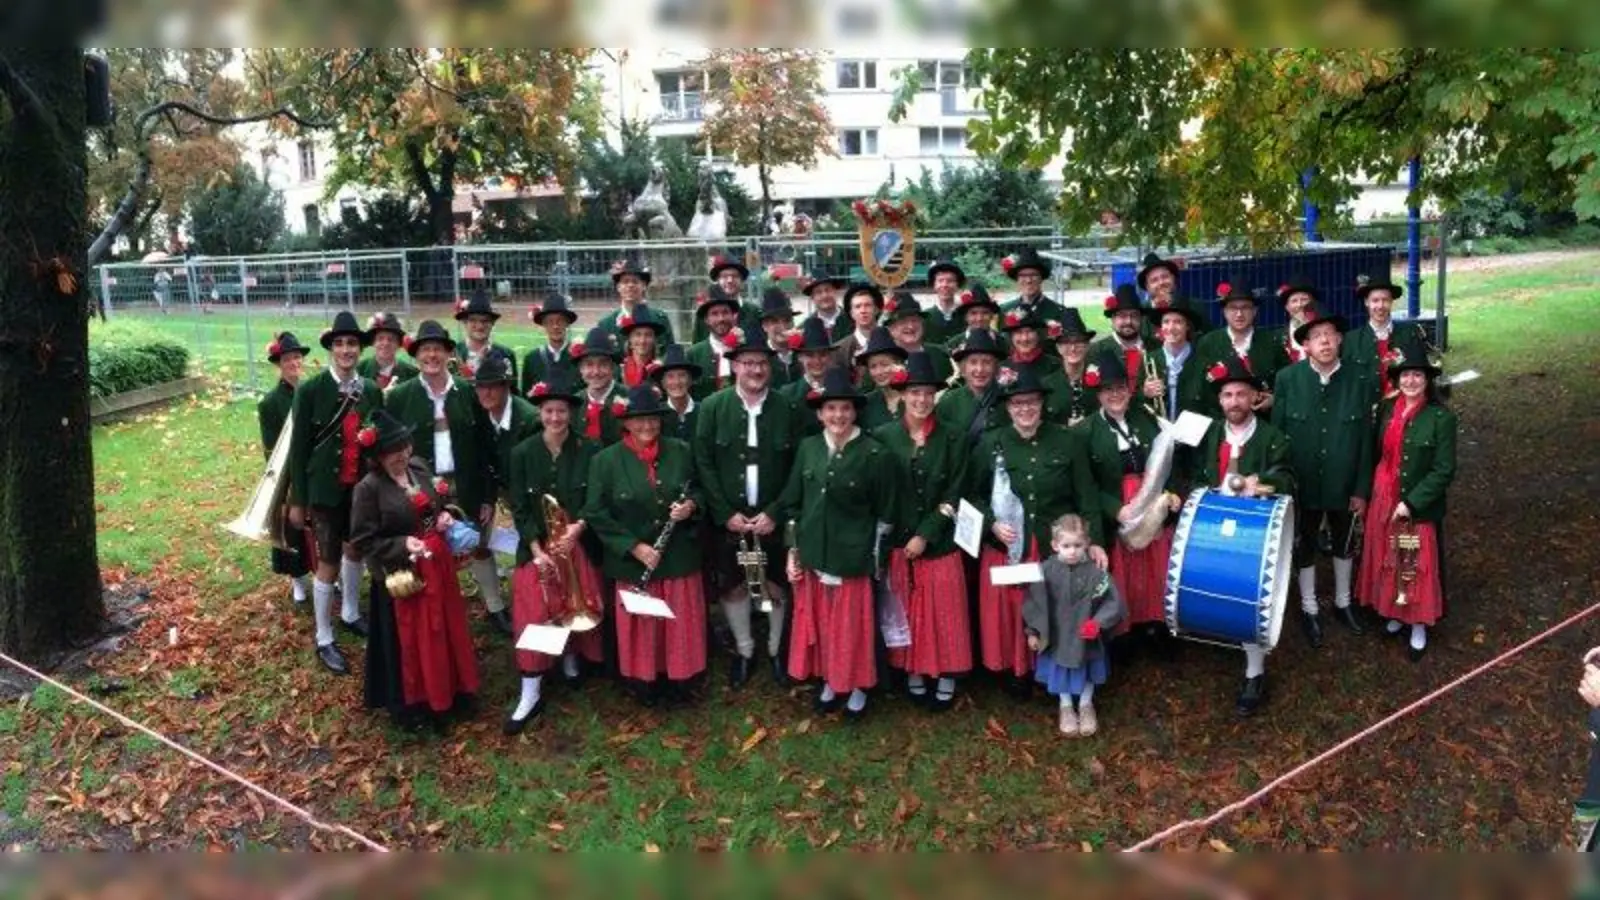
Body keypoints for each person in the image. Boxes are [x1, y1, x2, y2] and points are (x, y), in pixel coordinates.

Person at [969, 365, 1104, 695]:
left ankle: (1050, 669)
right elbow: (969, 494)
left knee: (1054, 607)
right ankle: (1014, 670)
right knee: (1010, 608)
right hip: (1008, 545)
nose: (1025, 409)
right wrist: (991, 524)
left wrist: (1096, 541)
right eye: (1017, 403)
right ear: (1007, 407)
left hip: (1052, 546)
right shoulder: (991, 443)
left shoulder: (1067, 441)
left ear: (1042, 404)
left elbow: (1086, 493)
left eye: (1031, 402)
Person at [774, 367, 899, 719]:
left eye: (845, 408)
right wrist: (793, 549)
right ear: (819, 412)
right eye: (830, 409)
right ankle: (831, 679)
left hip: (854, 558)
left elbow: (886, 513)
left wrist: (875, 556)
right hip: (814, 554)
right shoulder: (809, 448)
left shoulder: (875, 454)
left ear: (854, 411)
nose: (838, 415)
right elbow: (793, 505)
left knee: (852, 628)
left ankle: (857, 685)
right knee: (824, 624)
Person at [350, 409, 480, 731]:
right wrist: (401, 544)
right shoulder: (368, 489)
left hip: (438, 567)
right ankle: (417, 703)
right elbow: (363, 541)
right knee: (414, 641)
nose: (402, 456)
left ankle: (454, 689)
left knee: (444, 629)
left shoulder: (418, 467)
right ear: (378, 457)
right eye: (393, 453)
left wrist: (444, 516)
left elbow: (433, 506)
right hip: (403, 579)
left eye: (404, 448)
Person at [582, 384, 709, 707]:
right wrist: (634, 547)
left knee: (677, 620)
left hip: (676, 557)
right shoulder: (605, 461)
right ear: (626, 423)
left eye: (653, 419)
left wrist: (691, 507)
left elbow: (698, 491)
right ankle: (644, 682)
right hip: (633, 562)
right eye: (639, 420)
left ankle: (681, 680)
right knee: (643, 623)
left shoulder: (680, 449)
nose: (647, 426)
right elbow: (595, 512)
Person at [692, 331, 803, 688]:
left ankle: (774, 650)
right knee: (734, 586)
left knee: (775, 586)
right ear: (734, 366)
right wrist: (724, 513)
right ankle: (744, 650)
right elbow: (703, 462)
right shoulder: (712, 407)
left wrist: (776, 510)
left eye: (760, 363)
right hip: (730, 519)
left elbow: (799, 466)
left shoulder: (787, 407)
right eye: (747, 363)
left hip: (773, 517)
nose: (755, 369)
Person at [384, 320, 503, 634]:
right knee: (428, 548)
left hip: (465, 483)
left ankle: (495, 606)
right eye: (425, 350)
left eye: (437, 349)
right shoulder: (400, 396)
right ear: (416, 356)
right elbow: (391, 451)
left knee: (478, 543)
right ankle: (435, 611)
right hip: (421, 486)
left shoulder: (468, 392)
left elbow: (486, 448)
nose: (431, 355)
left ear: (449, 353)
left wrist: (488, 495)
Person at [1193, 353, 1296, 716]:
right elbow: (1193, 477)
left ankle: (1254, 672)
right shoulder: (1209, 434)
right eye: (1227, 395)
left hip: (1253, 534)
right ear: (1219, 400)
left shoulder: (1271, 436)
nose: (1234, 402)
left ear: (1254, 397)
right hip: (1212, 527)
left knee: (1248, 596)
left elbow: (1286, 477)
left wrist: (1262, 484)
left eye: (1240, 394)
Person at [504, 373, 605, 733]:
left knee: (577, 601)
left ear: (570, 414)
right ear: (540, 413)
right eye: (548, 411)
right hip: (538, 546)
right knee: (535, 608)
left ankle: (571, 658)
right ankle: (530, 688)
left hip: (575, 541)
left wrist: (577, 529)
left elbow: (595, 498)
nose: (555, 418)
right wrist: (535, 549)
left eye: (561, 411)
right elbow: (518, 505)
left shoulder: (590, 450)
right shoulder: (522, 453)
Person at [286, 310, 381, 675]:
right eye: (339, 344)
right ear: (330, 349)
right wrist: (298, 500)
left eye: (352, 343)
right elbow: (299, 448)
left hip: (360, 489)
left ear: (359, 348)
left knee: (355, 548)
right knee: (327, 562)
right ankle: (324, 637)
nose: (346, 350)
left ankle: (351, 612)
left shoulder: (370, 390)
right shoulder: (311, 390)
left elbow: (378, 439)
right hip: (324, 490)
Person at [1273, 313, 1376, 648]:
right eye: (1317, 336)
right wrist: (1282, 485)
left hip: (1343, 483)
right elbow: (1278, 439)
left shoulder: (1360, 379)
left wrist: (1361, 489)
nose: (1326, 341)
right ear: (1305, 345)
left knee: (1345, 542)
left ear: (1340, 340)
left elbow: (1365, 440)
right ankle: (1308, 606)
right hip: (1302, 485)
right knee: (1304, 544)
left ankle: (1344, 602)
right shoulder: (1288, 379)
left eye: (1331, 334)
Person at [877, 351, 971, 711]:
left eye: (928, 393)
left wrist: (927, 533)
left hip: (939, 540)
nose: (921, 400)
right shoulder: (884, 436)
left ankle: (945, 673)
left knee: (944, 611)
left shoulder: (953, 437)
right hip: (899, 541)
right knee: (908, 609)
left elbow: (955, 493)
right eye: (914, 393)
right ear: (903, 394)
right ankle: (913, 669)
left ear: (936, 396)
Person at [1356, 331, 1458, 661]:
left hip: (1414, 502)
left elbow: (1443, 470)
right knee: (1388, 556)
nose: (1411, 381)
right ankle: (1395, 613)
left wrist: (1412, 502)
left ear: (1427, 380)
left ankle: (1417, 623)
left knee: (1411, 560)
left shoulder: (1441, 419)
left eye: (1417, 375)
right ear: (1397, 379)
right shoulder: (1386, 411)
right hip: (1382, 493)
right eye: (1406, 375)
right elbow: (1375, 452)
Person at [1075, 346, 1177, 643]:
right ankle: (1125, 630)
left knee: (1154, 565)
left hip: (1150, 506)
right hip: (1119, 511)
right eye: (1108, 390)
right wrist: (1114, 509)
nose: (1115, 395)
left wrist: (1167, 494)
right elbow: (1086, 485)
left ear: (1130, 390)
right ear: (1098, 394)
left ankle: (1156, 623)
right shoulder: (1085, 431)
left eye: (1120, 388)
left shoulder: (1145, 418)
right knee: (1126, 571)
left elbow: (1167, 462)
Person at [1023, 514, 1126, 737]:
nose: (1072, 551)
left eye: (1077, 545)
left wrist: (1098, 623)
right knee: (1060, 671)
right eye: (1066, 545)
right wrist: (1033, 631)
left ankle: (1086, 705)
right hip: (1059, 636)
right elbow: (1034, 602)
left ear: (1087, 544)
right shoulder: (1046, 571)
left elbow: (1113, 601)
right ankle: (1066, 706)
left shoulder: (1096, 572)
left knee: (1087, 670)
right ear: (1055, 545)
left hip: (1086, 635)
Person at [257, 331, 314, 605]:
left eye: (297, 357)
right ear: (279, 364)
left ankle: (325, 572)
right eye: (288, 359)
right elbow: (271, 448)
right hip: (288, 472)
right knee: (292, 527)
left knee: (319, 525)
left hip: (314, 468)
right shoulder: (269, 403)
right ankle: (298, 580)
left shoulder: (311, 391)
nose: (294, 363)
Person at [1194, 281, 1289, 415]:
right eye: (1233, 308)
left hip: (1263, 423)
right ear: (1224, 312)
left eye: (1245, 308)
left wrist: (1274, 399)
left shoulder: (1271, 342)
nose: (1239, 314)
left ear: (1255, 311)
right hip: (1220, 423)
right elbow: (1199, 388)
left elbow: (1286, 384)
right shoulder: (1208, 343)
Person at [1342, 273, 1429, 403]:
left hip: (1403, 407)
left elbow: (1422, 375)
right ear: (1366, 302)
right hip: (1366, 410)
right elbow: (1346, 382)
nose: (1381, 306)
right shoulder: (1351, 339)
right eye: (1375, 300)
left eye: (1385, 300)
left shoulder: (1410, 334)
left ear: (1391, 301)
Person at [1092, 284, 1159, 417]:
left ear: (1141, 319)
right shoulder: (1096, 350)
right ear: (1113, 319)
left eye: (1134, 316)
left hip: (1149, 418)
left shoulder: (1156, 346)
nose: (1128, 321)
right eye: (1122, 316)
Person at [936, 329, 1010, 447]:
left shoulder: (1007, 399)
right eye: (973, 362)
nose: (979, 369)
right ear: (964, 368)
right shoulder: (948, 402)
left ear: (996, 368)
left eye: (986, 362)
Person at [1143, 293, 1210, 422]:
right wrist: (1145, 393)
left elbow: (1211, 407)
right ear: (1161, 327)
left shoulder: (1203, 362)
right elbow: (1138, 403)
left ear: (1188, 326)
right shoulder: (1149, 359)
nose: (1171, 328)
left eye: (1178, 322)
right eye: (1166, 322)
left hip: (1192, 437)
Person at [598, 256, 678, 348]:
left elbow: (669, 352)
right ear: (618, 287)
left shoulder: (660, 319)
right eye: (625, 282)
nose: (630, 285)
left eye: (635, 281)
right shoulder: (607, 324)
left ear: (644, 286)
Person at [571, 327, 628, 446]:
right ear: (581, 369)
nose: (596, 371)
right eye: (589, 364)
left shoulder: (629, 398)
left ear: (612, 367)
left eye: (603, 364)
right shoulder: (574, 404)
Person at [882, 291, 956, 384]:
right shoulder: (881, 360)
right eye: (903, 321)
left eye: (915, 320)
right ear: (891, 328)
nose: (910, 326)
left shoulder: (940, 355)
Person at [686, 286, 745, 398]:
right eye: (714, 314)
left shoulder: (745, 350)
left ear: (733, 317)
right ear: (706, 320)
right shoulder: (693, 354)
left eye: (725, 312)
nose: (721, 319)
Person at [1042, 308, 1097, 427]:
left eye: (1079, 341)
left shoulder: (1101, 381)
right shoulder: (1047, 385)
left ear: (1087, 346)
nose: (1073, 348)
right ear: (1058, 348)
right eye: (1066, 342)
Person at [691, 254, 762, 343]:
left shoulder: (754, 312)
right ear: (717, 280)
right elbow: (697, 346)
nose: (730, 280)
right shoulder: (705, 313)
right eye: (724, 276)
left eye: (735, 276)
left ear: (742, 281)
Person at [521, 292, 580, 397]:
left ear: (567, 323)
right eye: (550, 321)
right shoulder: (532, 359)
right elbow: (526, 399)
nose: (555, 326)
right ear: (543, 325)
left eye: (560, 321)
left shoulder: (580, 357)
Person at [453, 288, 518, 383]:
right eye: (473, 320)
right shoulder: (454, 353)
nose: (479, 326)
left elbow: (513, 392)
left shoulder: (506, 355)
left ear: (492, 323)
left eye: (485, 321)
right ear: (464, 322)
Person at [855, 326, 910, 430]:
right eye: (873, 366)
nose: (879, 372)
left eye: (884, 364)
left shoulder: (914, 397)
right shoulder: (865, 404)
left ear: (898, 364)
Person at [998, 248, 1066, 326]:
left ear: (1041, 278)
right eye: (1023, 275)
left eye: (1033, 275)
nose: (1028, 280)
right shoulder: (1004, 310)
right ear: (1017, 279)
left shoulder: (1059, 312)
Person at [650, 344, 703, 442]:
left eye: (682, 375)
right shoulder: (656, 414)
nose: (677, 382)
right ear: (663, 383)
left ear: (690, 380)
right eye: (670, 376)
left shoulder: (704, 412)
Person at [357, 312, 418, 391]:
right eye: (380, 338)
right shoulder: (359, 370)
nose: (385, 343)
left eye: (391, 339)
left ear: (399, 344)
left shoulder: (412, 373)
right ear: (373, 342)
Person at [755, 286, 801, 387]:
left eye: (787, 320)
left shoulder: (804, 353)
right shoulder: (758, 358)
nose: (783, 327)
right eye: (775, 321)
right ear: (764, 326)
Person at [837, 283, 885, 375]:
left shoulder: (892, 341)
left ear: (876, 310)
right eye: (858, 307)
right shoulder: (840, 350)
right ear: (851, 313)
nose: (863, 311)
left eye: (867, 305)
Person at [617, 303, 667, 388]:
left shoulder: (661, 372)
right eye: (637, 335)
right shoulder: (618, 371)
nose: (642, 341)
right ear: (630, 340)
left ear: (654, 340)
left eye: (648, 335)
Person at [944, 284, 1002, 351]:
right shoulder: (952, 345)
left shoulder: (1004, 343)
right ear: (965, 317)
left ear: (992, 315)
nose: (979, 318)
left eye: (985, 313)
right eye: (973, 313)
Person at [1275, 276, 1320, 364]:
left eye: (1304, 299)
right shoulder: (1277, 337)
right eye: (1294, 301)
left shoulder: (1324, 330)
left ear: (1313, 302)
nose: (1299, 305)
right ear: (1287, 307)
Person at [922, 258, 967, 346]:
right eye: (940, 281)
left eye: (950, 281)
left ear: (957, 285)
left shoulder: (966, 315)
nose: (945, 285)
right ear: (934, 285)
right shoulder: (924, 317)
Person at [998, 308, 1050, 381]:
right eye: (1018, 332)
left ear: (1038, 335)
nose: (1024, 338)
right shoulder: (1002, 368)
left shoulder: (1054, 365)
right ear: (1011, 337)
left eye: (1029, 332)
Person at [797, 273, 850, 343]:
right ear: (812, 297)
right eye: (818, 292)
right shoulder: (805, 328)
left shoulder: (852, 319)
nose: (824, 296)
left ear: (835, 291)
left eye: (827, 290)